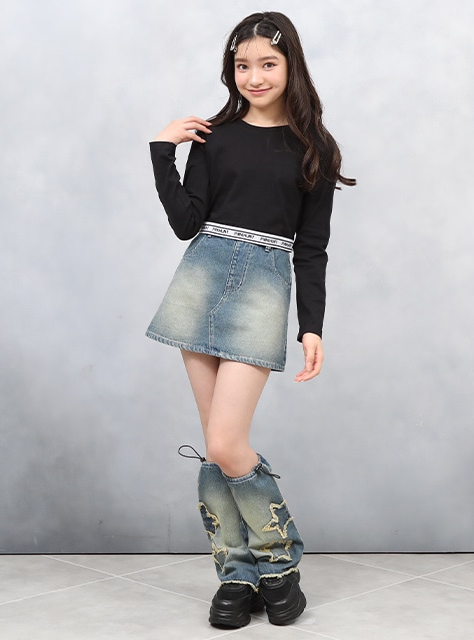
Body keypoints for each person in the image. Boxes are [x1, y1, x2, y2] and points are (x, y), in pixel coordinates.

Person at [146, 11, 354, 629]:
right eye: (243, 65)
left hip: (264, 289)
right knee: (216, 449)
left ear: (291, 67)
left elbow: (312, 247)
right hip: (200, 281)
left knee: (224, 442)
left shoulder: (316, 148)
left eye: (267, 64)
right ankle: (237, 576)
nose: (254, 76)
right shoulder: (215, 138)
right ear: (230, 70)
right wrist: (162, 151)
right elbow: (186, 222)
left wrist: (311, 325)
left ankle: (280, 564)